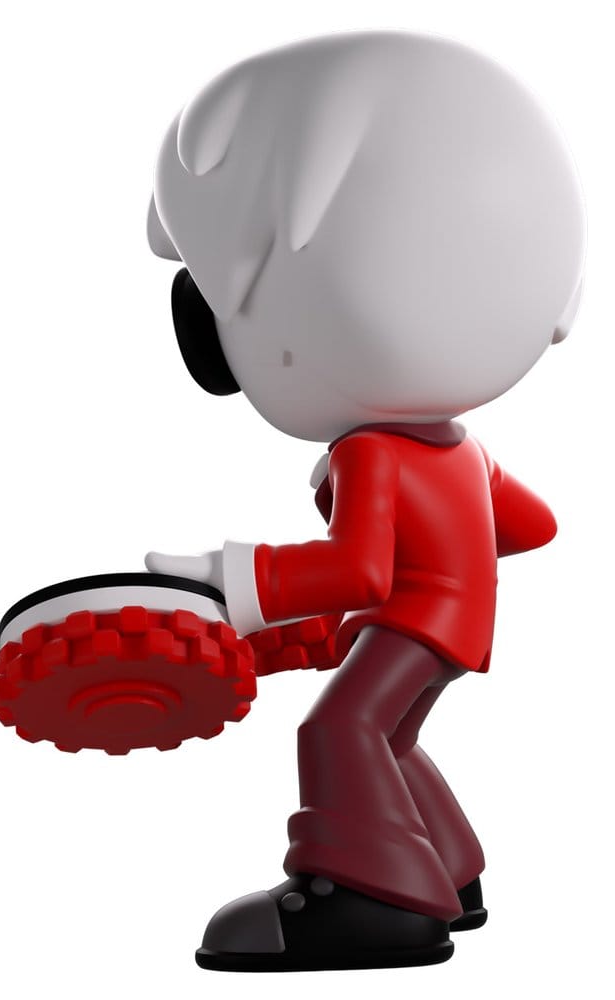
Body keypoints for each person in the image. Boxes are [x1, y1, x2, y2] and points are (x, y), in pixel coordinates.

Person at [145, 31, 586, 971]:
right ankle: (450, 873)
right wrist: (449, 561)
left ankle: (369, 893)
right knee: (389, 732)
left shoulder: (373, 451)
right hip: (450, 626)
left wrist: (232, 581)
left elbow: (359, 570)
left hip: (418, 623)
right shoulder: (458, 446)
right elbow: (529, 526)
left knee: (337, 728)